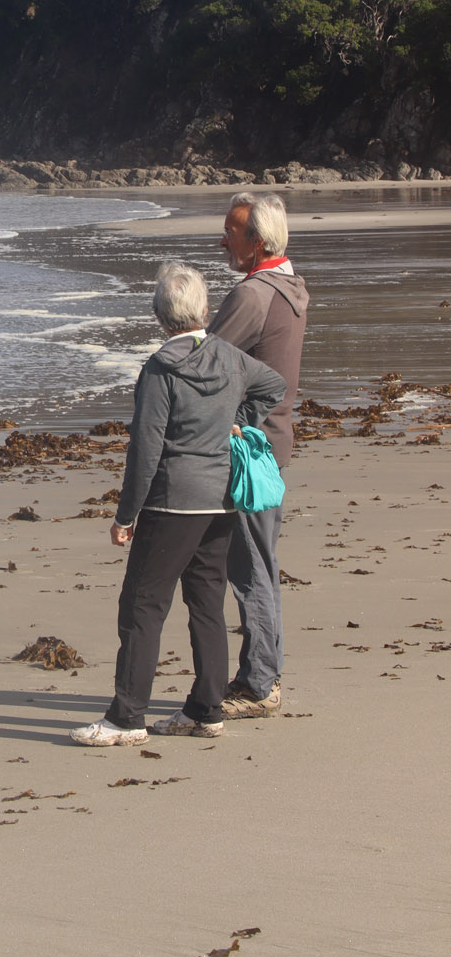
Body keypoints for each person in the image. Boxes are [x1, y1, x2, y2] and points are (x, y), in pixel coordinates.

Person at [70, 263, 286, 747]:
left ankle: (126, 718)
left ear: (160, 316)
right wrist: (238, 420)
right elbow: (274, 383)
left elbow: (145, 452)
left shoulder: (159, 369)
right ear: (204, 310)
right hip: (222, 501)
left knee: (141, 606)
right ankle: (206, 710)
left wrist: (125, 515)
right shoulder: (231, 357)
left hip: (173, 504)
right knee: (206, 604)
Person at [207, 191, 309, 719]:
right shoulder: (290, 287)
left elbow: (203, 364)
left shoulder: (253, 295)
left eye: (231, 231)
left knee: (249, 569)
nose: (222, 239)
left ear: (258, 241)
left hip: (248, 447)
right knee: (260, 564)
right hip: (271, 442)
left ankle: (258, 683)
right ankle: (263, 673)